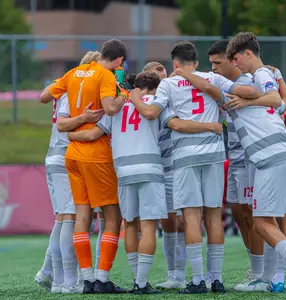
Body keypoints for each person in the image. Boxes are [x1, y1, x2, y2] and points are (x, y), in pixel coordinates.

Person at [128, 41, 256, 294]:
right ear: (196, 63)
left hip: (185, 155)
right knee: (213, 215)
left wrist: (133, 97)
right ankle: (215, 279)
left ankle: (197, 280)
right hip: (215, 154)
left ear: (174, 63)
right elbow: (240, 92)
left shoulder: (168, 83)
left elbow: (158, 116)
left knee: (191, 217)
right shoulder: (212, 78)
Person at [199, 39, 286, 292]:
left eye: (218, 62)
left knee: (258, 215)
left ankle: (265, 273)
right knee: (240, 213)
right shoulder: (227, 83)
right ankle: (258, 268)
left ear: (233, 60)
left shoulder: (253, 80)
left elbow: (281, 103)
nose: (214, 68)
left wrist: (258, 94)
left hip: (255, 156)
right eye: (211, 63)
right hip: (236, 155)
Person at [66, 72, 171, 294]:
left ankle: (136, 279)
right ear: (154, 88)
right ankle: (141, 283)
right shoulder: (156, 101)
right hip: (149, 168)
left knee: (130, 224)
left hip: (123, 171)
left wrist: (71, 137)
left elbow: (94, 134)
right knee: (149, 226)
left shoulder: (117, 106)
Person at [224, 31, 286, 293]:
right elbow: (284, 102)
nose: (233, 63)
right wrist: (275, 81)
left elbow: (274, 99)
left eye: (235, 58)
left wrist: (246, 99)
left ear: (248, 53)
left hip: (269, 158)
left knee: (261, 222)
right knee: (284, 220)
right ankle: (278, 279)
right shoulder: (263, 79)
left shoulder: (259, 75)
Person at [39, 38, 129, 294]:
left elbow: (45, 96)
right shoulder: (105, 76)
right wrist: (122, 93)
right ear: (120, 61)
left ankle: (85, 278)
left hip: (72, 155)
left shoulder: (72, 73)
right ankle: (100, 278)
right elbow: (110, 108)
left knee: (79, 216)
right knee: (112, 216)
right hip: (95, 155)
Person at [34, 51, 102, 294]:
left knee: (63, 218)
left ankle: (52, 275)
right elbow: (63, 123)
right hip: (63, 158)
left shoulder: (65, 85)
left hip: (57, 157)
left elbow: (44, 96)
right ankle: (65, 281)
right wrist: (84, 118)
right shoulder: (72, 90)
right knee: (69, 219)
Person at [142, 61, 187, 290]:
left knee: (180, 220)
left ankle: (182, 274)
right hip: (151, 167)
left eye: (163, 78)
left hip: (174, 166)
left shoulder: (175, 96)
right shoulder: (142, 103)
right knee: (165, 222)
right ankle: (173, 275)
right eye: (156, 79)